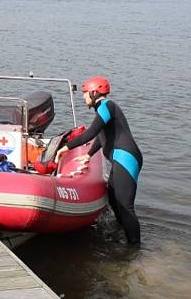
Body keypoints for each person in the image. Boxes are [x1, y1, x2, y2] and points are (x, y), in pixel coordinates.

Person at [55, 76, 143, 245]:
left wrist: (66, 148)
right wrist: (89, 155)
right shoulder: (103, 108)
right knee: (113, 198)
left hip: (126, 158)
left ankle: (134, 247)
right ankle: (121, 232)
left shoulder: (106, 106)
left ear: (94, 93)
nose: (83, 97)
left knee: (125, 206)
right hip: (121, 158)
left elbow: (91, 133)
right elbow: (102, 136)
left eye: (85, 93)